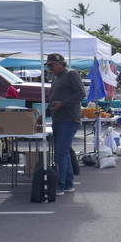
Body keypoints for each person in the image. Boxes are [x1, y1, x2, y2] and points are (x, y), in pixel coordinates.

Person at [46, 53, 86, 196]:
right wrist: (46, 111)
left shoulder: (71, 74)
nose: (50, 68)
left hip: (68, 119)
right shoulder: (56, 78)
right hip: (58, 119)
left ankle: (60, 185)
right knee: (64, 152)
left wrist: (62, 104)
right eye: (48, 66)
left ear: (60, 64)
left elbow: (81, 94)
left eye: (51, 65)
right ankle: (68, 184)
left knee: (60, 153)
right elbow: (53, 98)